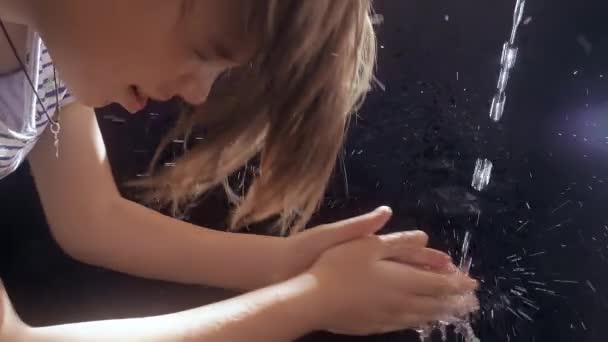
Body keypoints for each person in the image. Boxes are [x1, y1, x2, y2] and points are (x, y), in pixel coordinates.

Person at [0, 0, 479, 341]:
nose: (198, 92)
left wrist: (285, 262)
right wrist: (310, 302)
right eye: (203, 51)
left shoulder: (55, 42)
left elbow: (92, 218)